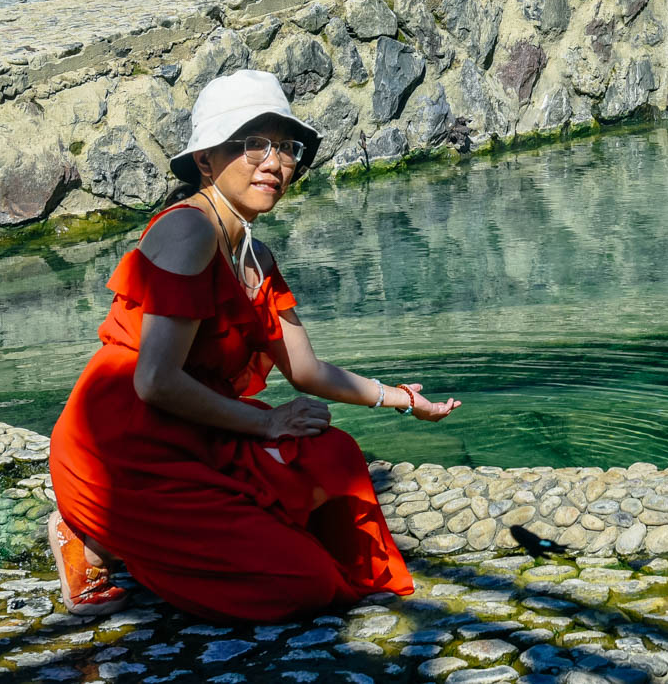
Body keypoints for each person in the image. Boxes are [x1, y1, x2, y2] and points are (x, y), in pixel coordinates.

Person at [46, 69, 459, 620]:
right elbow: (154, 381)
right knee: (304, 585)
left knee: (333, 456)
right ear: (206, 162)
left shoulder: (256, 256)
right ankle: (93, 534)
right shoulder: (188, 231)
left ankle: (189, 536)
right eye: (252, 144)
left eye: (285, 146)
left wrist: (402, 399)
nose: (275, 161)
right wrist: (266, 424)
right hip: (123, 449)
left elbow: (307, 372)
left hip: (195, 430)